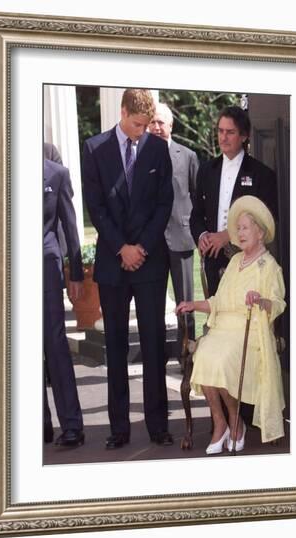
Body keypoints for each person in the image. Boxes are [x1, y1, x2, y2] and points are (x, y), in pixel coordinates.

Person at [83, 89, 174, 449]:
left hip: (150, 264)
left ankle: (158, 426)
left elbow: (163, 202)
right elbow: (96, 206)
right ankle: (118, 429)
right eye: (137, 124)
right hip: (113, 263)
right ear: (122, 113)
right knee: (116, 346)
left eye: (146, 124)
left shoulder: (157, 148)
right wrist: (122, 247)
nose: (141, 131)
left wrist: (143, 248)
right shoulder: (94, 148)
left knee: (153, 346)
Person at [176, 196, 285, 454]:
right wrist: (193, 305)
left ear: (260, 232)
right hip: (222, 328)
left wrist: (261, 301)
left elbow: (279, 304)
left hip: (249, 330)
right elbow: (218, 302)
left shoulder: (269, 266)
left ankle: (236, 424)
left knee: (223, 361)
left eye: (245, 227)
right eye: (238, 228)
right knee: (204, 356)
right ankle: (220, 422)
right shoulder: (235, 262)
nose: (240, 233)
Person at [190, 105, 278, 297]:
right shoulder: (206, 170)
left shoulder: (262, 174)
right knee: (217, 317)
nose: (223, 137)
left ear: (244, 136)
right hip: (213, 260)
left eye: (230, 132)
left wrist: (228, 235)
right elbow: (196, 214)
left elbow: (268, 220)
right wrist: (202, 235)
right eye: (220, 131)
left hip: (248, 260)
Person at [148, 102, 199, 361]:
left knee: (186, 304)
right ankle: (156, 357)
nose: (156, 127)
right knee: (153, 304)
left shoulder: (188, 156)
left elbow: (196, 196)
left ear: (171, 125)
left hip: (182, 238)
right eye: (152, 122)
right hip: (152, 243)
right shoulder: (139, 155)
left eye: (161, 122)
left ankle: (186, 355)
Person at [43, 158, 85, 447]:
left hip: (46, 268)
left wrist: (77, 273)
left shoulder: (57, 174)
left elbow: (70, 226)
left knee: (55, 344)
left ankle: (72, 426)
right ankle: (38, 425)